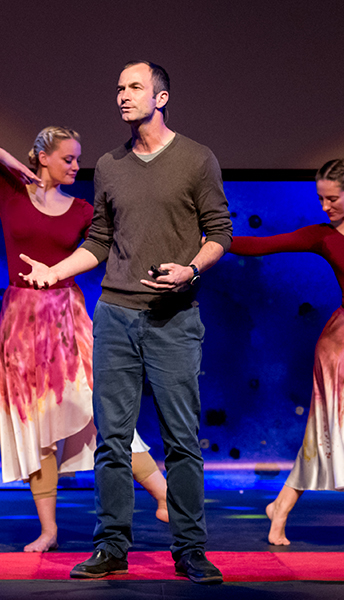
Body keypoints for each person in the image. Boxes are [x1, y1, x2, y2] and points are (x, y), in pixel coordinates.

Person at [21, 60, 232, 584]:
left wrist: (189, 270)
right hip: (115, 316)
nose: (123, 95)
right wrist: (56, 270)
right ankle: (111, 546)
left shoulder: (196, 159)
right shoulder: (110, 164)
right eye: (119, 87)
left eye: (134, 87)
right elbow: (99, 240)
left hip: (173, 318)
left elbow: (220, 234)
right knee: (112, 441)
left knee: (181, 439)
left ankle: (190, 549)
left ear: (161, 98)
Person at [0, 127, 171, 553]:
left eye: (77, 158)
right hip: (20, 323)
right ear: (41, 157)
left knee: (102, 412)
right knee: (37, 430)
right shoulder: (10, 192)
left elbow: (121, 240)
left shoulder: (83, 210)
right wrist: (8, 161)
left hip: (67, 321)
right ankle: (48, 531)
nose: (76, 165)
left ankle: (164, 495)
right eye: (68, 158)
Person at [231, 74, 344, 552]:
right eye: (320, 198)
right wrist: (211, 241)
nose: (326, 205)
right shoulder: (323, 236)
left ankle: (281, 509)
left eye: (332, 197)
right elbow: (261, 245)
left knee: (332, 437)